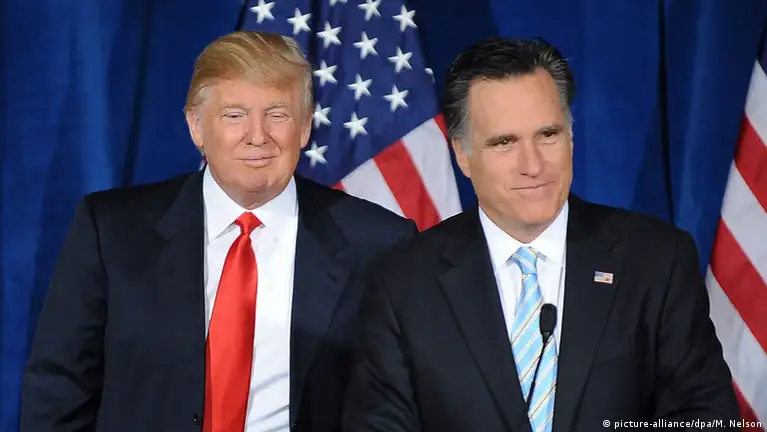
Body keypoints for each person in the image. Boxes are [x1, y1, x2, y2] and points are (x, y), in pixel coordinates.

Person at [21, 31, 417, 432]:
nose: (257, 136)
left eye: (278, 114)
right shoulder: (111, 231)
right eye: (234, 115)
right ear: (196, 127)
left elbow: (393, 407)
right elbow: (59, 392)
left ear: (304, 127)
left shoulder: (380, 244)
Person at [342, 37, 741, 431]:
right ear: (462, 154)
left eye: (548, 135)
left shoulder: (656, 261)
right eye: (504, 142)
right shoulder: (403, 283)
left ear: (571, 136)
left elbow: (708, 417)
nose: (533, 165)